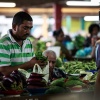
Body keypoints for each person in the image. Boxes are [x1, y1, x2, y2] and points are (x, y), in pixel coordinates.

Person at [0, 11, 46, 76]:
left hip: (26, 84)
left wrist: (38, 64)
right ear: (14, 27)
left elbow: (31, 65)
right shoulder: (4, 43)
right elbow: (4, 71)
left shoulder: (28, 41)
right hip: (11, 85)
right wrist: (29, 64)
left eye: (30, 28)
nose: (28, 32)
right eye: (25, 28)